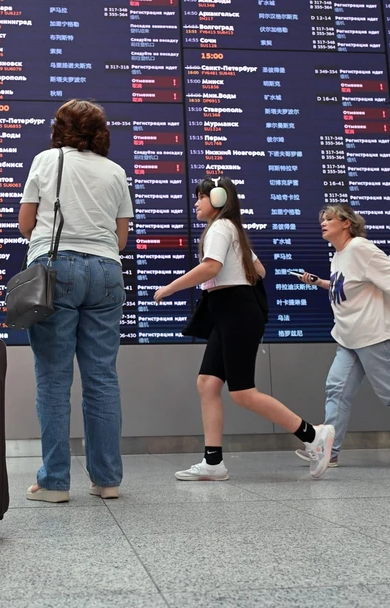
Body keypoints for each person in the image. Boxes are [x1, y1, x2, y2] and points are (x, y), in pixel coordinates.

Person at [155, 176, 336, 480]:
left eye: (200, 197)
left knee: (242, 392)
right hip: (229, 309)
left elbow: (211, 267)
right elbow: (261, 270)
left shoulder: (220, 228)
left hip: (235, 310)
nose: (196, 202)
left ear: (216, 199)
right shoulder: (232, 230)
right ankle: (213, 462)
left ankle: (313, 435)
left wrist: (170, 288)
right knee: (207, 383)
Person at [18, 99, 132, 502]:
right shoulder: (116, 172)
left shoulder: (46, 161)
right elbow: (121, 238)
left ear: (59, 128)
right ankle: (107, 479)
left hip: (56, 270)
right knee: (102, 377)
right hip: (106, 271)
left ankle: (54, 482)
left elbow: (26, 224)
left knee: (53, 378)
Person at [294, 203, 390, 469]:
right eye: (322, 219)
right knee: (337, 391)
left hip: (375, 335)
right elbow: (347, 285)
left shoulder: (360, 248)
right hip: (349, 338)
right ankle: (328, 451)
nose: (323, 222)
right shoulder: (339, 254)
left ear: (346, 223)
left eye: (329, 218)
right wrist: (318, 282)